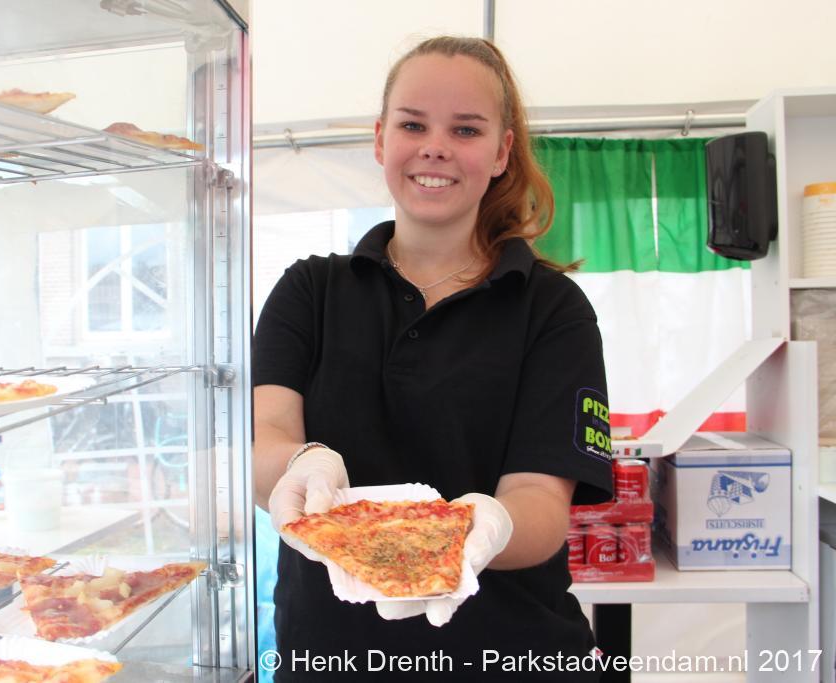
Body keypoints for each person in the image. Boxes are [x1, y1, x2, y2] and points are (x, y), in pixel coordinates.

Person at [253, 35, 614, 682]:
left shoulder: (552, 310)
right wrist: (301, 464)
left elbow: (540, 499)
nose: (435, 146)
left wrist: (486, 529)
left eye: (466, 129)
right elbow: (266, 435)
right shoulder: (309, 291)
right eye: (413, 124)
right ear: (380, 139)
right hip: (331, 660)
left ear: (501, 152)